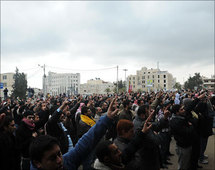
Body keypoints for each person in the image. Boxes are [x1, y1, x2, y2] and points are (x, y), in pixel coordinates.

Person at [29, 98, 119, 170]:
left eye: (59, 154)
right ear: (38, 163)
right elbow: (52, 120)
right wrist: (62, 106)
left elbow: (85, 142)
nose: (59, 160)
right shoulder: (51, 125)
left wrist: (107, 118)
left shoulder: (66, 162)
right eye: (52, 158)